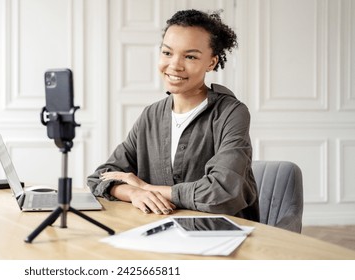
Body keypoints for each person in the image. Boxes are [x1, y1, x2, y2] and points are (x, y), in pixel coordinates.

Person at [87, 9, 260, 222]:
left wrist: (147, 187)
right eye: (167, 53)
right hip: (161, 230)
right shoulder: (151, 115)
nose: (174, 65)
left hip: (220, 234)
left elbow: (222, 192)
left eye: (190, 56)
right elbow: (100, 178)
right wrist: (134, 193)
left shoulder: (231, 113)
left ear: (211, 63)